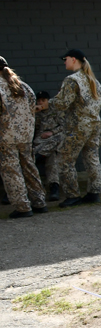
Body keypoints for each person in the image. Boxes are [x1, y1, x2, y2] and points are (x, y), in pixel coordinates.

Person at [46, 48, 101, 208]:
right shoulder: (94, 81)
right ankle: (94, 193)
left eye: (65, 59)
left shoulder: (72, 80)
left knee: (65, 160)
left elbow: (62, 103)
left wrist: (46, 105)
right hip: (94, 125)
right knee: (92, 158)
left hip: (77, 126)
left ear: (73, 59)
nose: (64, 62)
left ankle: (72, 195)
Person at [0, 56, 48, 218]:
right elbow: (32, 109)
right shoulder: (24, 86)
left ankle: (22, 207)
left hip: (6, 137)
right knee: (29, 167)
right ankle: (39, 202)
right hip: (26, 136)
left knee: (11, 171)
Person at [33, 90, 63, 201]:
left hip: (54, 139)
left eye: (43, 100)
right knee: (51, 156)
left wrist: (52, 132)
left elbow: (64, 125)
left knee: (59, 140)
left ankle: (40, 155)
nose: (41, 103)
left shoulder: (55, 110)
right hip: (41, 142)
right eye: (39, 101)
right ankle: (54, 188)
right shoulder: (35, 113)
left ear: (48, 101)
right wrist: (33, 113)